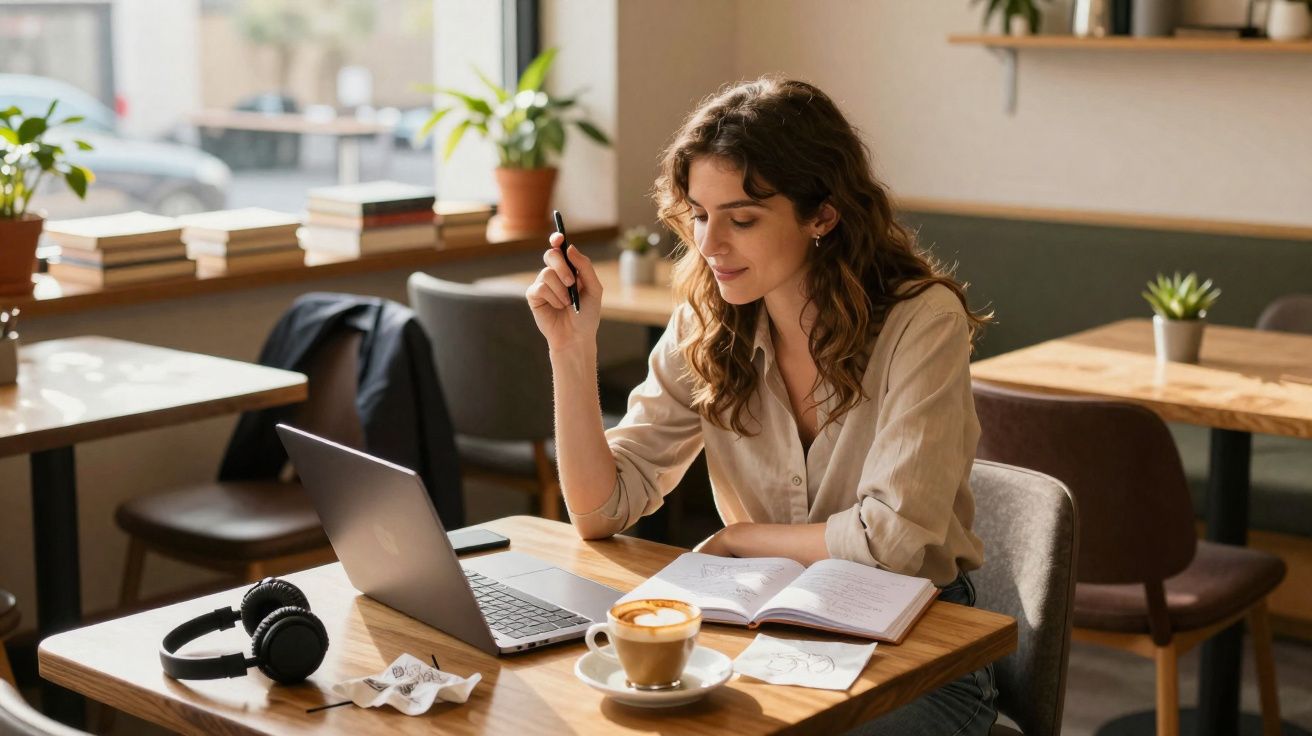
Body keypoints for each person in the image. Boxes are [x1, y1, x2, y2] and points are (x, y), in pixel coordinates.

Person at [526, 76, 996, 734]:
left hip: (918, 649)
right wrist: (573, 353)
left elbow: (890, 543)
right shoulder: (708, 317)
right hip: (760, 630)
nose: (710, 244)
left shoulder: (922, 322)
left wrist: (743, 538)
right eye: (698, 214)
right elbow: (602, 509)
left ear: (821, 215)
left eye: (742, 219)